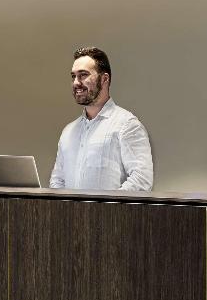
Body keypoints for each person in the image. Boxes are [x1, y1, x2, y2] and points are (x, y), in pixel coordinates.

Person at [50, 46, 154, 191]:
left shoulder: (127, 125)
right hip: (68, 208)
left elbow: (142, 179)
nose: (76, 83)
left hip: (110, 208)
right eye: (73, 76)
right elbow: (57, 180)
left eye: (83, 75)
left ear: (104, 79)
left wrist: (106, 205)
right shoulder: (68, 131)